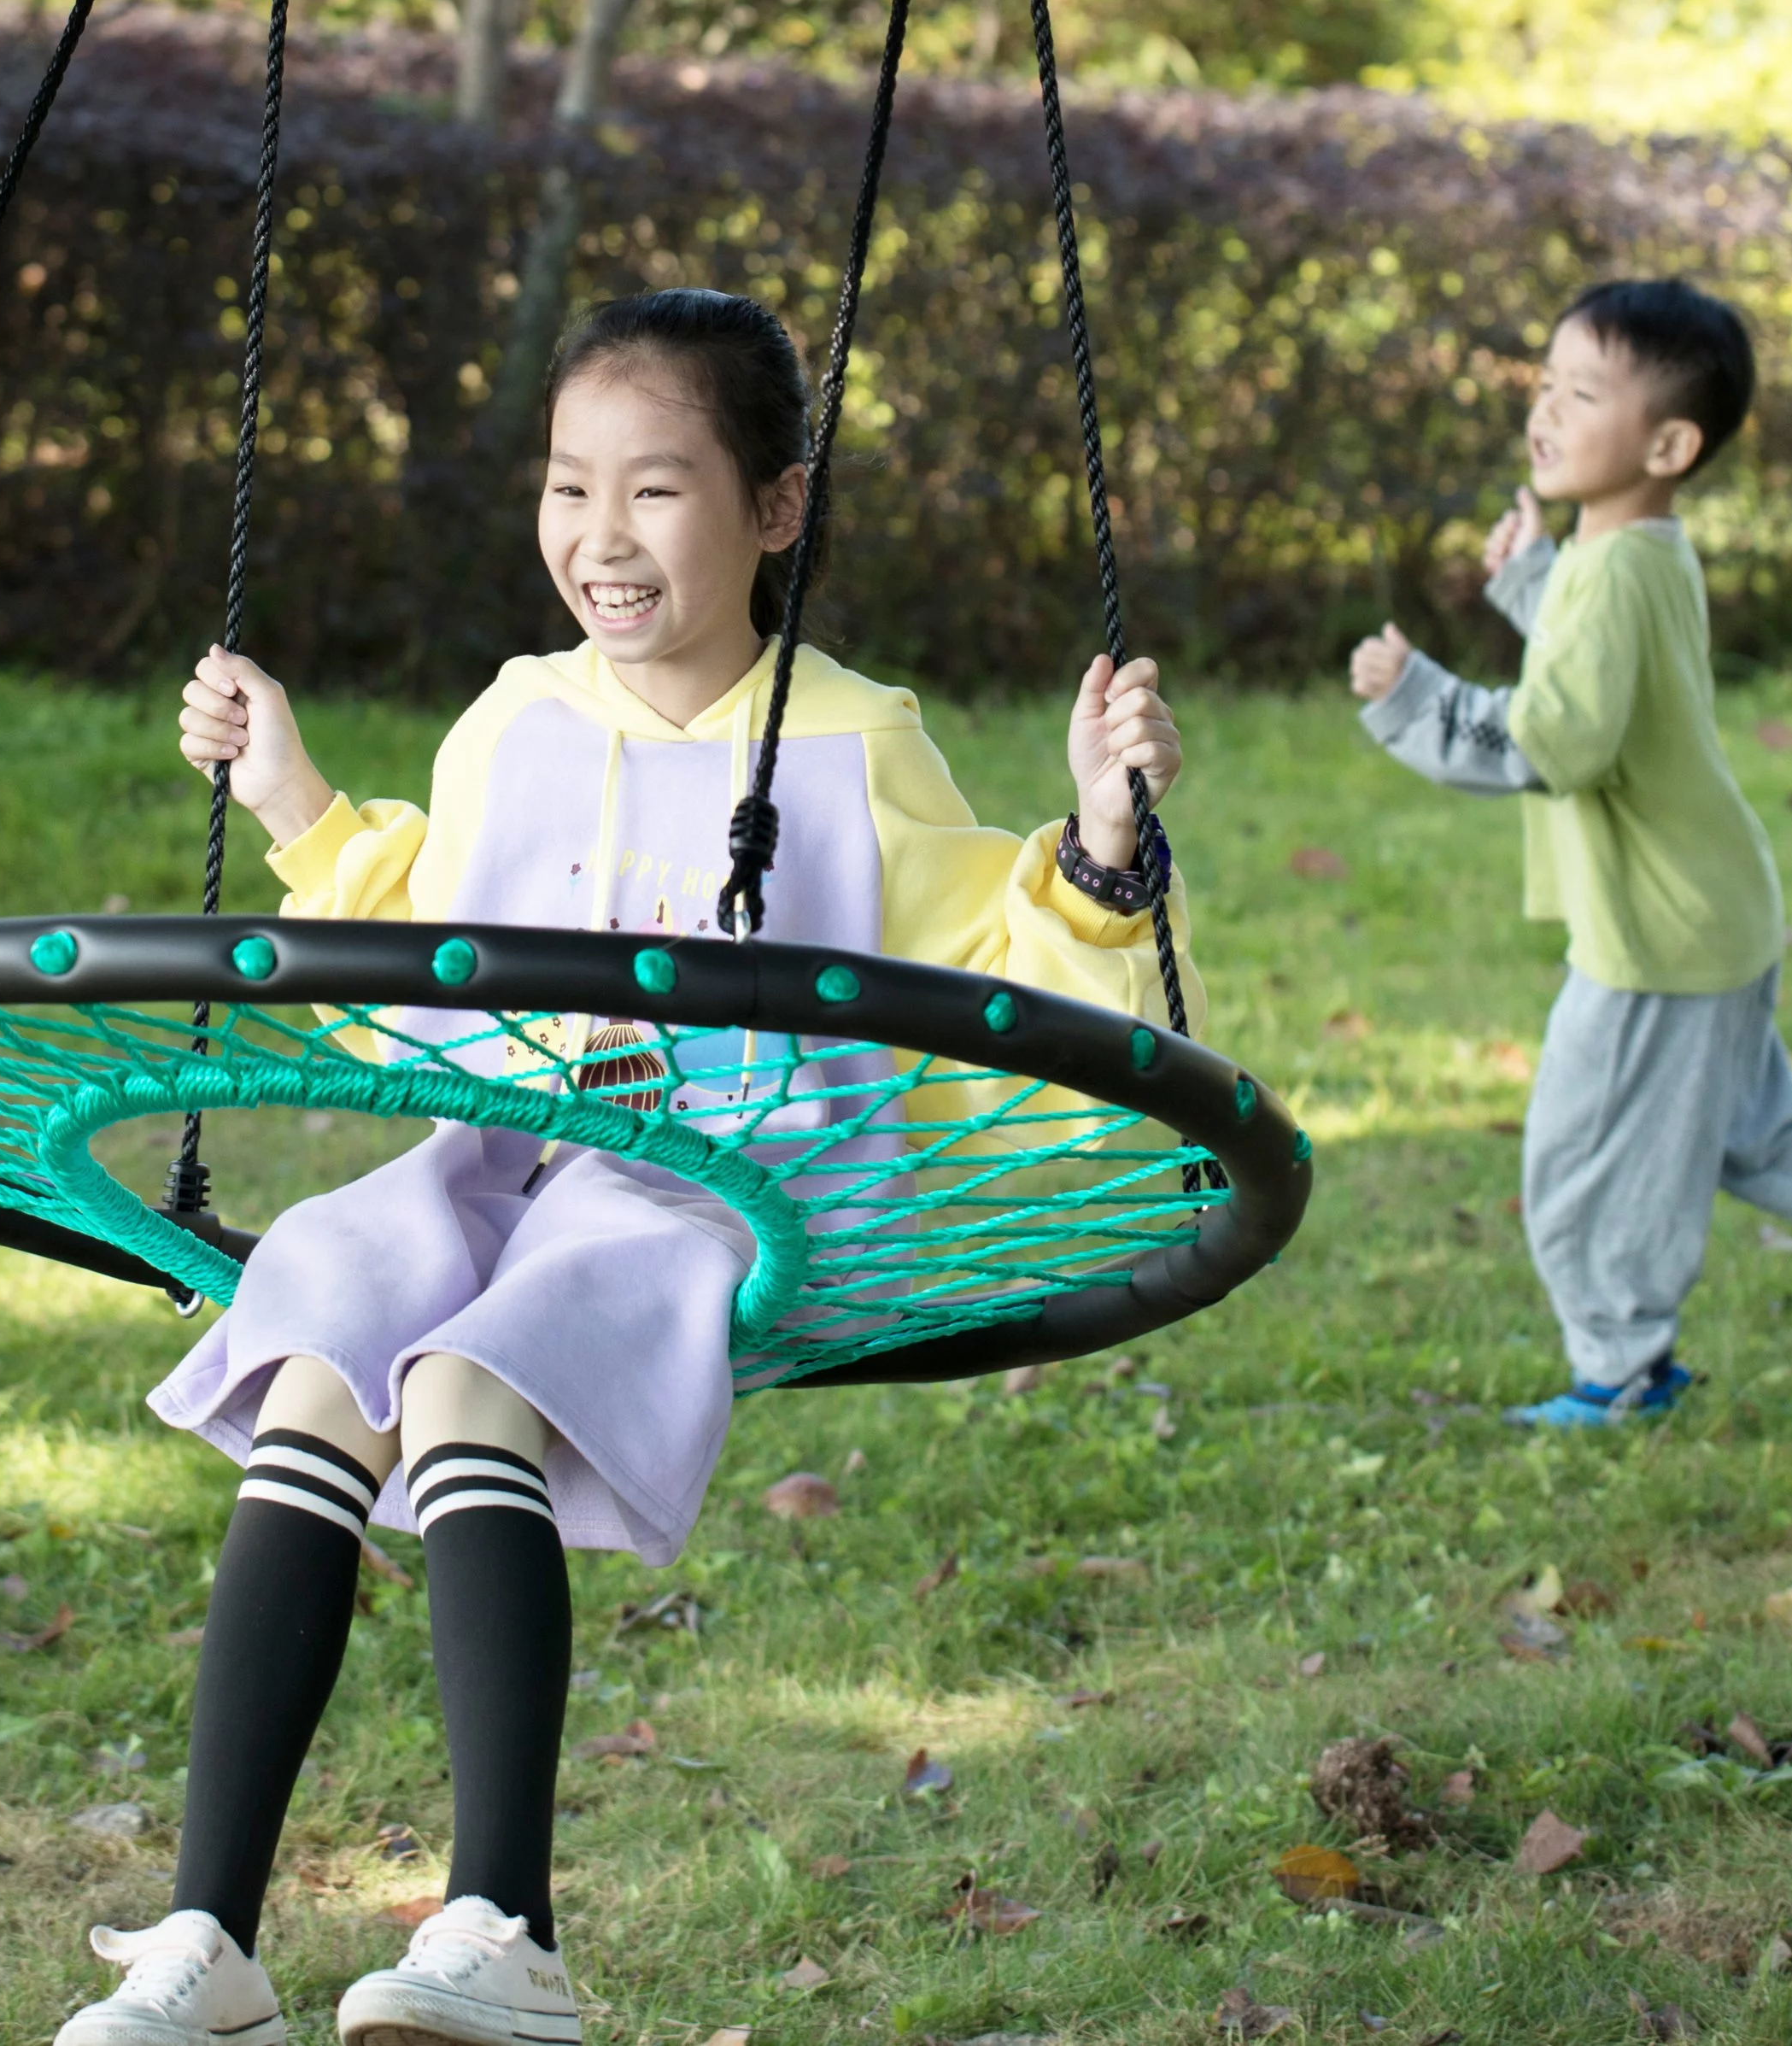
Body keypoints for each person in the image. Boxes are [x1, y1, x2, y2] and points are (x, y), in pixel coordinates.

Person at [59, 287, 1195, 2046]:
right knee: (326, 1336)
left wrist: (1104, 842)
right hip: (505, 1145)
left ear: (775, 508)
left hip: (722, 1175)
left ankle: (506, 1926)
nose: (600, 536)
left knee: (459, 1378)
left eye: (656, 489)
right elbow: (436, 947)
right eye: (567, 487)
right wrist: (294, 801)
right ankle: (210, 1940)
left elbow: (983, 946)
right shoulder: (513, 717)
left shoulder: (847, 735)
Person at [1345, 277, 1792, 1430]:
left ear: (1670, 442)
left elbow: (1558, 742)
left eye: (1581, 392)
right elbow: (1605, 662)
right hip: (1712, 912)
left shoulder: (1616, 569)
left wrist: (1418, 701)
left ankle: (1623, 1373)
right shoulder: (1639, 553)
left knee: (1582, 1158)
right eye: (1544, 385)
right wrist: (1535, 580)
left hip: (1656, 941)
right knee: (1765, 1141)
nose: (1545, 411)